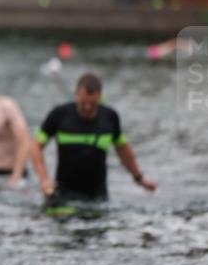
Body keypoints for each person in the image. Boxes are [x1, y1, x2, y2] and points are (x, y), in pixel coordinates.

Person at [33, 73, 156, 209]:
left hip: (98, 199)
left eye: (92, 103)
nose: (88, 107)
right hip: (64, 195)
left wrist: (139, 178)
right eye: (84, 102)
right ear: (76, 94)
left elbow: (122, 149)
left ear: (100, 96)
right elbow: (36, 146)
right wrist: (44, 179)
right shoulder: (59, 115)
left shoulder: (110, 117)